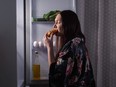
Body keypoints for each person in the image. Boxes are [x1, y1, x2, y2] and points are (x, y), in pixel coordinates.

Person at [43, 10, 95, 87]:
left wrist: (49, 47)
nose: (54, 26)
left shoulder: (71, 46)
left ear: (67, 24)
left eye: (58, 22)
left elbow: (56, 78)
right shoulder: (78, 41)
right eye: (55, 22)